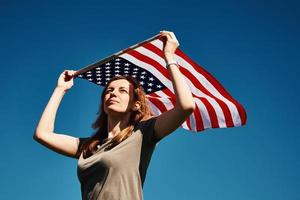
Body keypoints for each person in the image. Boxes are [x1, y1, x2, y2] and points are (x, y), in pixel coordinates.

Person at [33, 31, 195, 200]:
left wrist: (169, 56)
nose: (112, 93)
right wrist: (60, 89)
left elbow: (186, 106)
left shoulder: (142, 134)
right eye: (108, 91)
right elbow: (42, 134)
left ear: (136, 104)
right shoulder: (90, 146)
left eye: (122, 90)